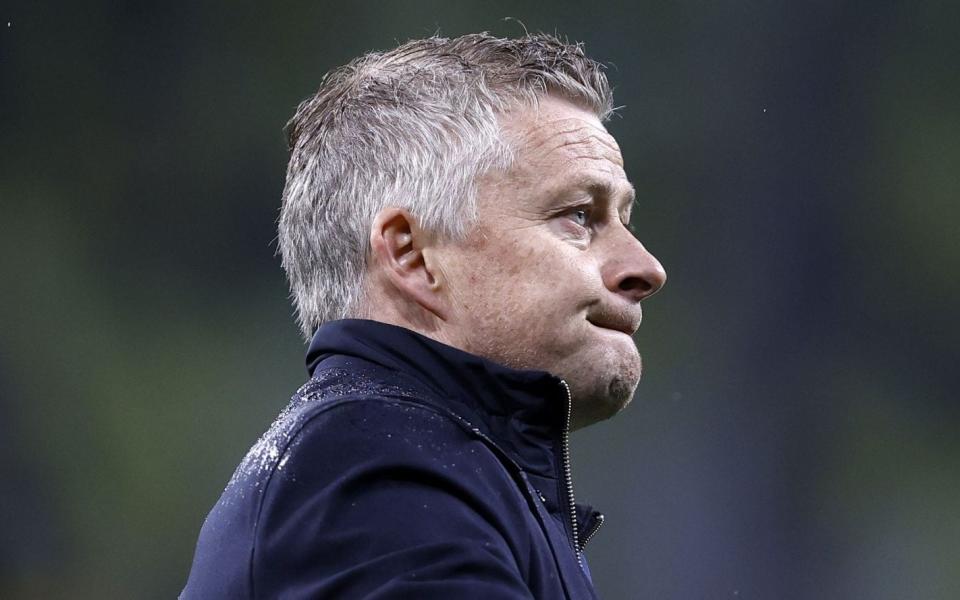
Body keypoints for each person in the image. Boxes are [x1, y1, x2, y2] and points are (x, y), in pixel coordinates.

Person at [182, 31, 666, 599]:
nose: (646, 267)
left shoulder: (430, 471)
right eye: (579, 215)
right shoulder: (380, 476)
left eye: (624, 220)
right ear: (412, 255)